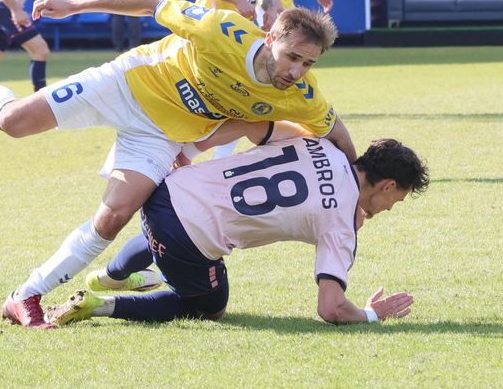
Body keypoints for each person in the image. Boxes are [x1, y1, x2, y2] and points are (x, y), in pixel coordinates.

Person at [0, 0, 356, 329]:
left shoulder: (301, 94)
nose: (296, 71)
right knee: (14, 121)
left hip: (161, 134)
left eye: (308, 63)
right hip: (127, 84)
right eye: (292, 57)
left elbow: (333, 130)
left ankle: (26, 295)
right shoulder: (222, 30)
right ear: (270, 36)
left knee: (113, 216)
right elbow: (150, 3)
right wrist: (74, 6)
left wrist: (357, 180)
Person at [50, 132, 428, 326]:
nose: (389, 209)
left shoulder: (318, 141)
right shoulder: (342, 225)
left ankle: (111, 275)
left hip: (166, 190)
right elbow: (331, 308)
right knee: (206, 307)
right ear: (388, 186)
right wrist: (371, 314)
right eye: (396, 201)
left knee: (172, 230)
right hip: (188, 238)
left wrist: (190, 151)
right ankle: (100, 305)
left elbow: (253, 125)